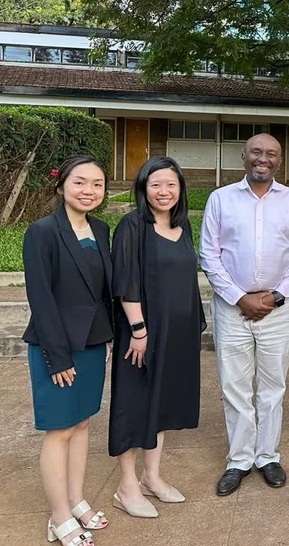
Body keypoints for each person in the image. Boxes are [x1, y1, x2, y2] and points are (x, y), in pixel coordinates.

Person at [201, 133, 289, 496]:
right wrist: (239, 298)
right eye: (256, 152)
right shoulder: (220, 199)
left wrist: (277, 297)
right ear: (243, 156)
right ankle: (239, 460)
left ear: (279, 161)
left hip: (278, 311)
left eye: (270, 154)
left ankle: (267, 456)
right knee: (234, 387)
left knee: (272, 387)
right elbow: (209, 255)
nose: (262, 159)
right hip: (231, 308)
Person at [23, 155, 113, 546]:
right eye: (80, 182)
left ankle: (76, 501)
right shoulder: (42, 232)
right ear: (61, 186)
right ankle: (58, 516)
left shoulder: (102, 230)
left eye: (96, 183)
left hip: (93, 344)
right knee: (59, 430)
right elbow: (40, 298)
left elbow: (103, 292)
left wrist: (107, 336)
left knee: (81, 424)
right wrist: (57, 356)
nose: (88, 190)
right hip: (56, 347)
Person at [109, 157, 206, 518]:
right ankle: (126, 486)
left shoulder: (183, 227)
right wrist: (138, 330)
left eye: (170, 185)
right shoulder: (132, 226)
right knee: (134, 405)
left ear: (180, 189)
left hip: (177, 333)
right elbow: (125, 281)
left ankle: (152, 477)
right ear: (143, 188)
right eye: (155, 185)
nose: (163, 192)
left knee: (162, 407)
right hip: (143, 334)